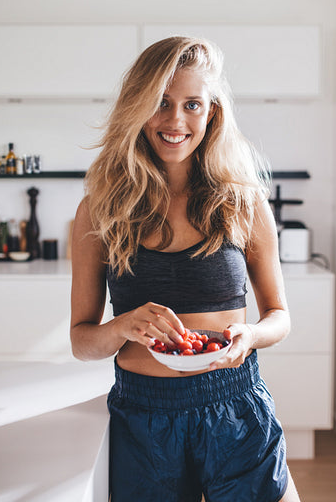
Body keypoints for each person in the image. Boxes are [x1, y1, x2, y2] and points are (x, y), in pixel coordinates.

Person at [70, 36, 301, 502]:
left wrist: (251, 335)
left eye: (192, 104)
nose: (175, 120)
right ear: (138, 108)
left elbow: (279, 315)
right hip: (143, 416)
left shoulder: (244, 202)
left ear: (211, 112)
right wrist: (121, 326)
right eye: (160, 103)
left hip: (235, 404)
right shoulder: (99, 210)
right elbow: (82, 341)